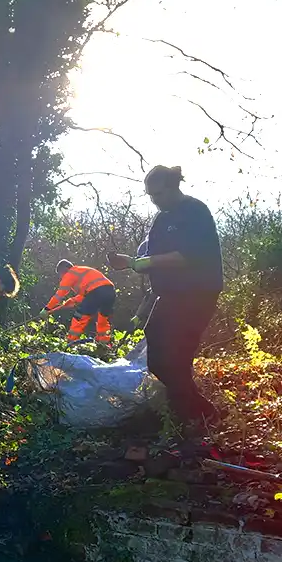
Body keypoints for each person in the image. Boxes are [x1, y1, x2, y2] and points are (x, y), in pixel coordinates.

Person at [108, 165, 223, 433]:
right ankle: (189, 411)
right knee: (157, 356)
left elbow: (185, 256)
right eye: (150, 196)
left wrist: (140, 263)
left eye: (158, 194)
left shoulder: (195, 212)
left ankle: (196, 417)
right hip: (168, 295)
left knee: (177, 356)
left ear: (173, 186)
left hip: (197, 294)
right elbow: (150, 259)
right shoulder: (161, 219)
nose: (155, 200)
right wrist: (129, 263)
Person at [39, 260, 116, 347]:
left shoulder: (70, 273)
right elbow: (89, 293)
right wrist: (73, 300)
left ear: (64, 269)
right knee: (103, 319)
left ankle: (71, 343)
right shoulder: (81, 271)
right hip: (110, 291)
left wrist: (47, 309)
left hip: (96, 292)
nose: (61, 277)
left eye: (60, 274)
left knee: (79, 316)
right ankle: (104, 345)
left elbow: (59, 295)